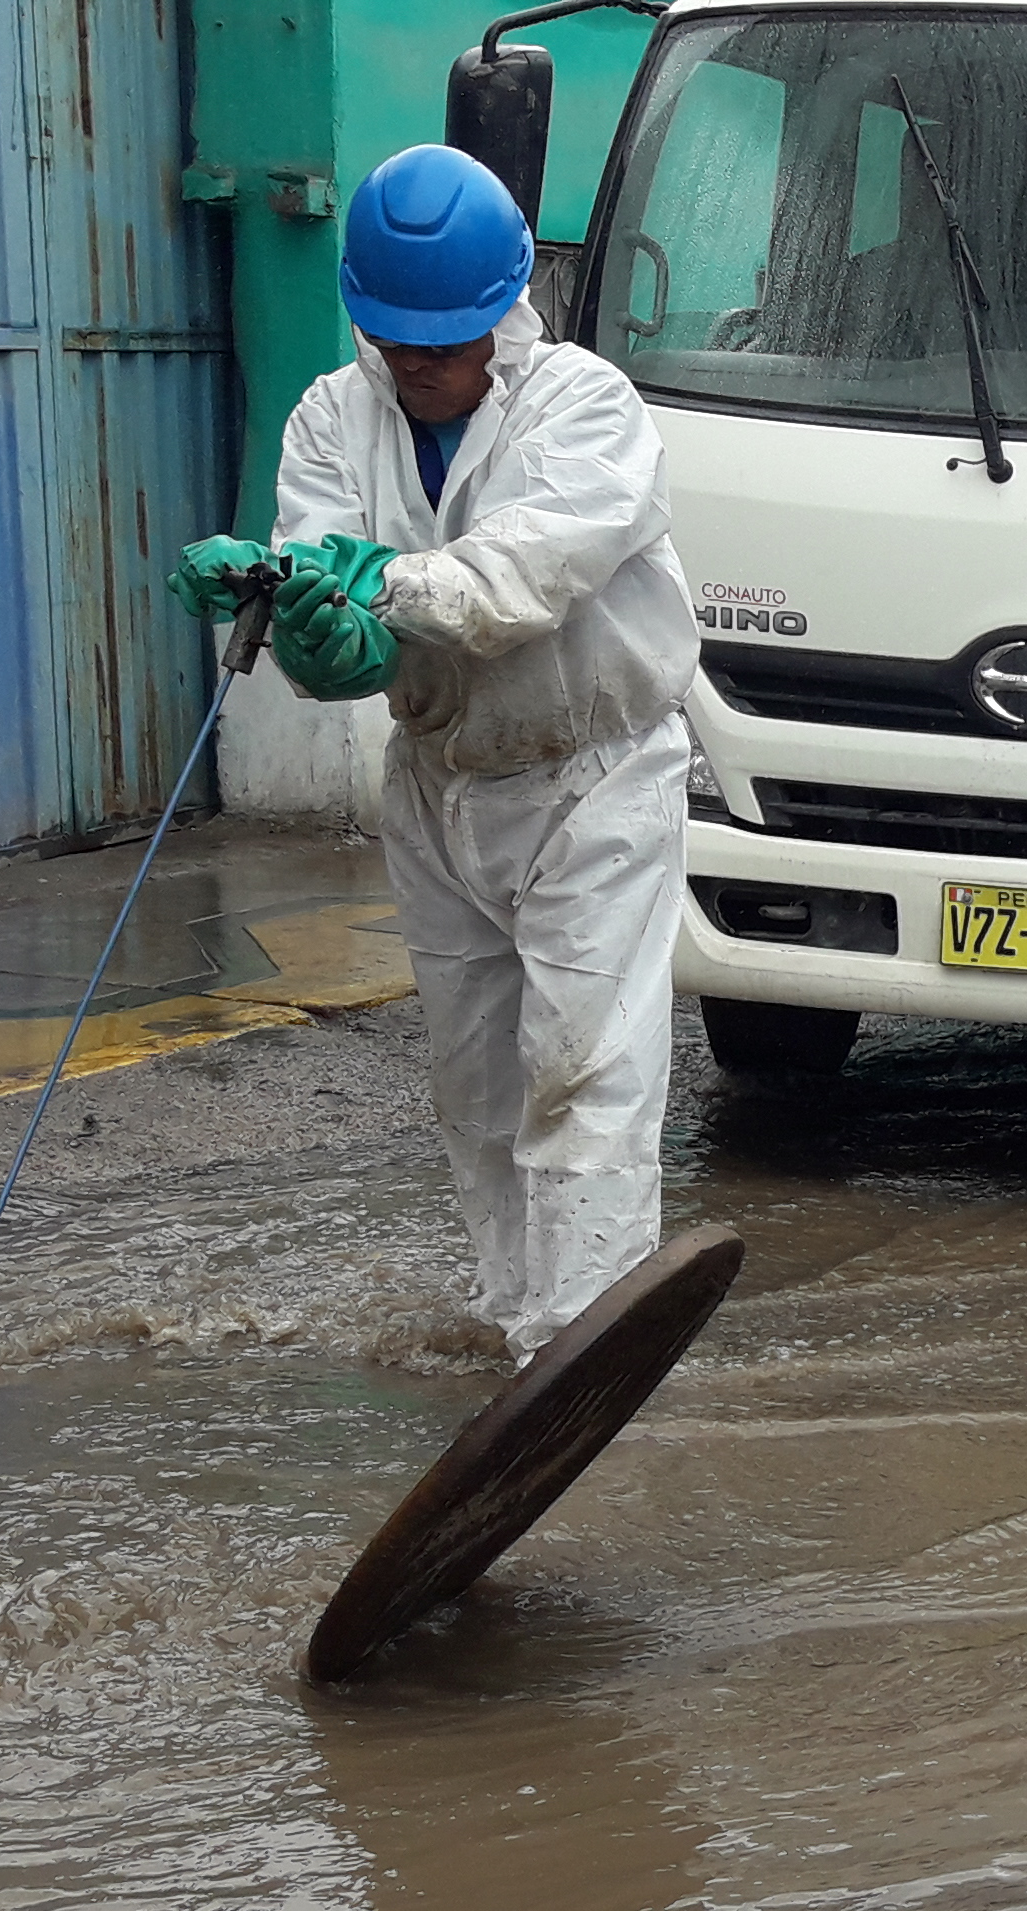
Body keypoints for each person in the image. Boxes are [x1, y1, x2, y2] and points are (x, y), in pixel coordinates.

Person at [167, 145, 700, 1365]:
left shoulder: (586, 408)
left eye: (445, 344)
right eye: (398, 342)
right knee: (476, 1091)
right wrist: (311, 620)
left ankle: (581, 1351)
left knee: (588, 1074)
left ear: (501, 317)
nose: (420, 367)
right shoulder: (329, 418)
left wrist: (370, 580)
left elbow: (520, 579)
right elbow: (343, 647)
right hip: (440, 782)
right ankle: (522, 1322)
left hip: (593, 776)